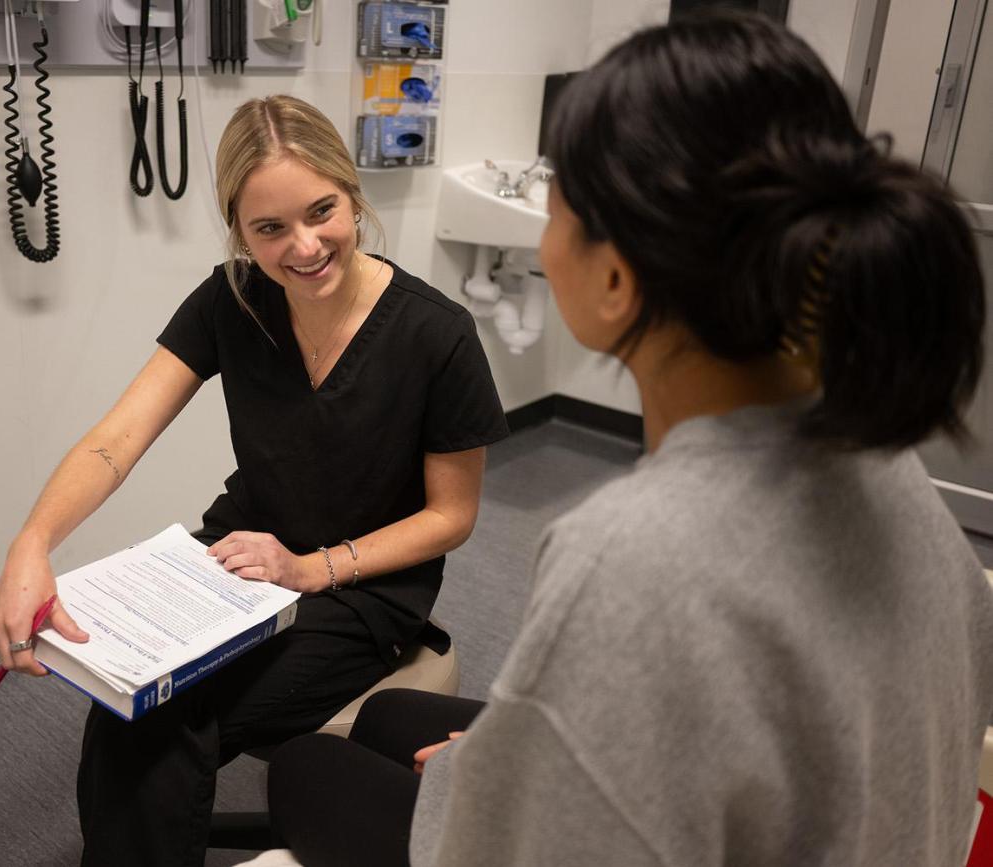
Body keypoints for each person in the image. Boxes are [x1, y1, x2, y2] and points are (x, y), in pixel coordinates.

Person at [266, 11, 993, 866]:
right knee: (392, 716)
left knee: (308, 767)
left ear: (614, 277)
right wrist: (507, 759)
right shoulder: (882, 458)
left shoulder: (629, 556)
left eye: (554, 206)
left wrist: (490, 787)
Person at [0, 94, 508, 865]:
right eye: (270, 229)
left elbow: (452, 515)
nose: (305, 246)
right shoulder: (231, 301)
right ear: (239, 229)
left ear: (352, 193)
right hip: (240, 556)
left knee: (166, 717)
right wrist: (30, 546)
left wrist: (312, 568)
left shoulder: (437, 333)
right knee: (129, 697)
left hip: (360, 589)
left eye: (322, 211)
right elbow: (116, 440)